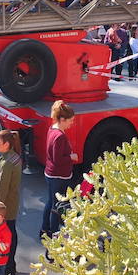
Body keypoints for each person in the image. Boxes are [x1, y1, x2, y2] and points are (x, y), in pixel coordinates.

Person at [40, 101, 78, 239]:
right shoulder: (60, 136)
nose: (71, 123)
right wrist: (71, 156)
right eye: (70, 120)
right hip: (58, 176)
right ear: (62, 119)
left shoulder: (52, 129)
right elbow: (58, 159)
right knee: (57, 206)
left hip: (50, 174)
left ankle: (44, 229)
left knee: (50, 202)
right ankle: (53, 233)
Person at [0, 130, 22, 275]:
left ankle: (8, 265)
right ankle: (10, 265)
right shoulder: (12, 157)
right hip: (12, 203)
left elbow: (2, 189)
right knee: (11, 232)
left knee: (5, 236)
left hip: (5, 206)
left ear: (7, 144)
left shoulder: (7, 163)